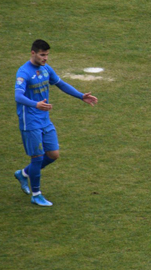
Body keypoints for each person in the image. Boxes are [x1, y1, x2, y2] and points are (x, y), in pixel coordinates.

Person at [13, 40, 98, 206]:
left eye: (47, 55)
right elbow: (18, 96)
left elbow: (60, 84)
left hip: (44, 120)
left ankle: (23, 174)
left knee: (53, 155)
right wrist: (35, 104)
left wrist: (81, 96)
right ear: (33, 53)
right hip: (30, 121)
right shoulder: (23, 72)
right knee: (37, 158)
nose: (45, 58)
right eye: (42, 55)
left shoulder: (46, 69)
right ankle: (36, 194)